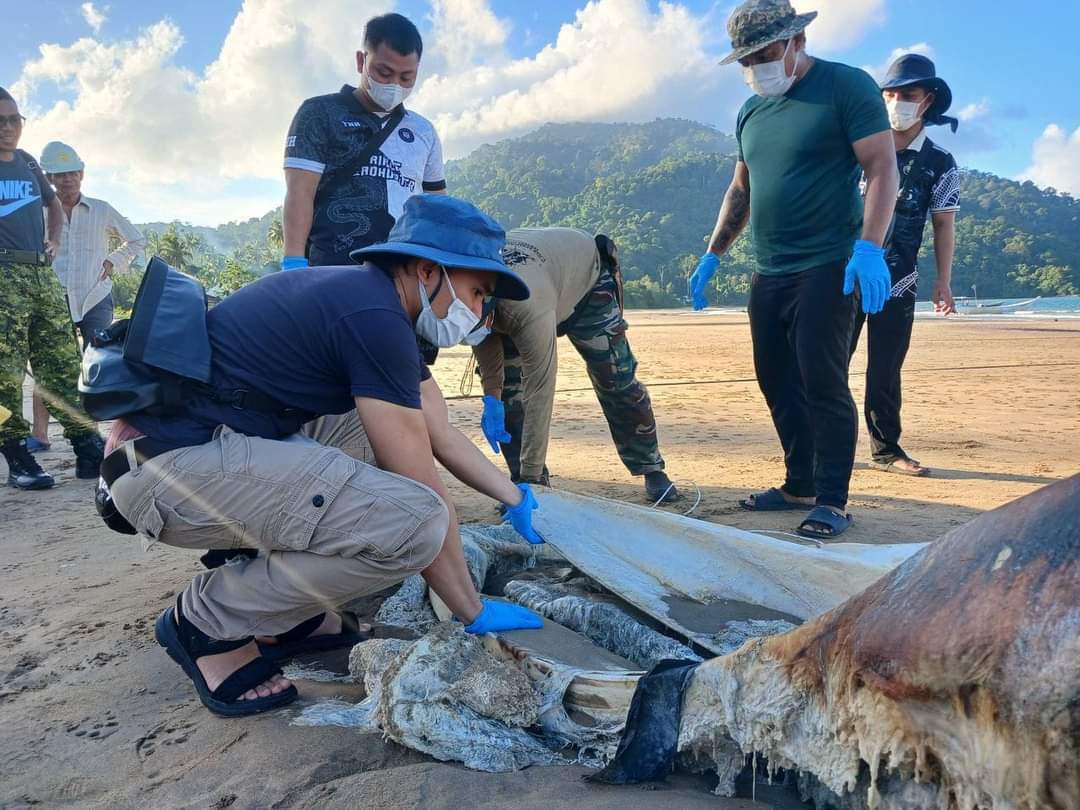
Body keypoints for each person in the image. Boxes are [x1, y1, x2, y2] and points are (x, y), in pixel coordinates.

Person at [104, 195, 545, 717]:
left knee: (374, 436)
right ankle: (207, 621)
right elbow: (422, 484)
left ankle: (288, 614)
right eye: (478, 292)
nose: (480, 313)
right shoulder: (373, 318)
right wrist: (471, 609)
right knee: (414, 522)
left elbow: (437, 433)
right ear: (428, 271)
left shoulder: (365, 300)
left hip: (175, 457)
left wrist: (517, 497)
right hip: (167, 476)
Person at [686, 0, 898, 539]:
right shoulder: (750, 112)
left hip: (830, 263)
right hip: (771, 268)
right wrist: (713, 254)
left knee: (823, 382)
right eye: (746, 59)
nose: (756, 66)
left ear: (796, 41)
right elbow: (742, 189)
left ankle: (833, 499)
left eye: (765, 52)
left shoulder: (845, 87)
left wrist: (869, 247)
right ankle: (798, 483)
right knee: (777, 380)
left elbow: (881, 168)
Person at [472, 228, 680, 503]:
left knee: (614, 376)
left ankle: (650, 467)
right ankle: (519, 478)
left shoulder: (523, 304)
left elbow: (540, 387)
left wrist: (532, 478)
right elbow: (483, 341)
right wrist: (492, 397)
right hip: (533, 281)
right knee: (510, 394)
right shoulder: (466, 289)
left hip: (585, 282)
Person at [850, 54, 960, 477]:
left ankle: (886, 450)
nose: (897, 102)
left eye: (908, 95)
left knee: (885, 369)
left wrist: (944, 281)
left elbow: (943, 224)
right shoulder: (857, 148)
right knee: (830, 364)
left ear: (928, 100)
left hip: (900, 280)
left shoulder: (940, 163)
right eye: (890, 94)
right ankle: (821, 448)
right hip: (848, 274)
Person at [280, 12, 446, 271]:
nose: (394, 85)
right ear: (361, 60)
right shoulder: (318, 114)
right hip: (332, 271)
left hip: (404, 275)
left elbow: (436, 207)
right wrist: (293, 264)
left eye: (406, 77)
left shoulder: (423, 131)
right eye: (384, 71)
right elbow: (300, 192)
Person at [0, 87, 105, 490]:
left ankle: (86, 446)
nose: (9, 128)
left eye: (15, 120)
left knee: (61, 363)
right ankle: (15, 454)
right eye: (1, 121)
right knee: (4, 375)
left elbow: (54, 205)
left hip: (41, 275)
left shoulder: (28, 163)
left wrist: (55, 239)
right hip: (2, 274)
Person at [26, 141, 145, 452]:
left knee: (99, 363)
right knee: (49, 364)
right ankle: (39, 434)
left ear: (82, 173)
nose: (67, 180)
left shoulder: (101, 209)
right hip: (53, 296)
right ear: (49, 178)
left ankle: (96, 433)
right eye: (59, 174)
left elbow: (136, 240)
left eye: (72, 173)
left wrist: (112, 262)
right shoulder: (37, 212)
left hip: (95, 296)